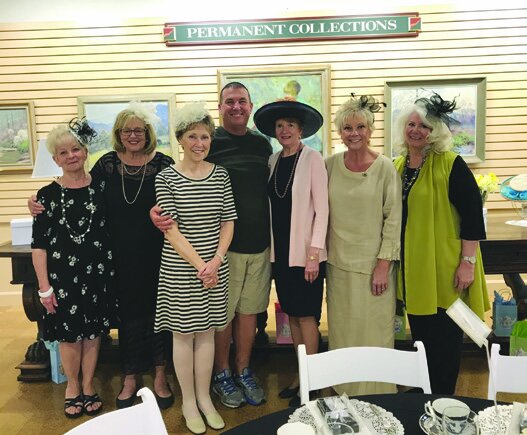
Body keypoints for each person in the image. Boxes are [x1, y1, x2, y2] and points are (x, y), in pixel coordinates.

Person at [29, 102, 175, 410]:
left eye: (139, 130)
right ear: (118, 134)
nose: (133, 135)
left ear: (147, 133)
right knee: (129, 318)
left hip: (158, 254)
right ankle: (130, 377)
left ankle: (161, 376)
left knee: (159, 315)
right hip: (118, 258)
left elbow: (179, 198)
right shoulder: (107, 165)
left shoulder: (164, 163)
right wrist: (36, 201)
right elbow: (77, 187)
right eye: (126, 130)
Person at [152, 82, 272, 408]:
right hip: (221, 251)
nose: (236, 107)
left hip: (257, 244)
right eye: (229, 101)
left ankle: (243, 370)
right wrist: (155, 212)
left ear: (250, 106)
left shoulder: (262, 144)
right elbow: (175, 179)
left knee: (249, 312)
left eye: (242, 101)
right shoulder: (211, 140)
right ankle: (221, 374)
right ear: (219, 108)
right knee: (221, 317)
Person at [393, 92, 490, 394]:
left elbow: (472, 217)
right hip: (414, 267)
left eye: (424, 126)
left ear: (435, 131)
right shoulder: (398, 166)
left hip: (446, 266)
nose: (416, 130)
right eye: (411, 124)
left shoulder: (451, 164)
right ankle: (426, 391)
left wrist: (467, 263)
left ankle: (442, 395)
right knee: (421, 335)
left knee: (446, 337)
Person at [154, 102, 236, 434]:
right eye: (192, 136)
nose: (199, 143)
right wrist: (202, 265)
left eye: (204, 137)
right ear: (180, 139)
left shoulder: (221, 175)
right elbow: (170, 230)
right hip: (181, 269)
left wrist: (215, 261)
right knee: (183, 334)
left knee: (208, 333)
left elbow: (228, 221)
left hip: (215, 268)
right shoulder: (165, 177)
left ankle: (204, 398)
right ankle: (188, 401)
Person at [32, 119, 113, 418]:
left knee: (92, 333)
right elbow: (39, 245)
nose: (71, 156)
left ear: (85, 151)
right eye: (63, 153)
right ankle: (72, 386)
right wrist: (44, 288)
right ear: (56, 159)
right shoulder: (46, 196)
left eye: (75, 149)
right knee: (68, 335)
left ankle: (89, 385)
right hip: (62, 278)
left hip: (98, 274)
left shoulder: (102, 187)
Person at [325, 94, 402, 396]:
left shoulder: (385, 168)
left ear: (370, 130)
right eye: (347, 128)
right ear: (340, 132)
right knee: (343, 333)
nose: (354, 133)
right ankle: (344, 392)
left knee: (375, 334)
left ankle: (378, 395)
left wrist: (383, 264)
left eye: (360, 127)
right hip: (338, 265)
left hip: (374, 268)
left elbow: (393, 220)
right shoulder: (329, 166)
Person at [253, 100, 328, 407]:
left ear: (301, 130)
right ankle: (301, 376)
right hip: (281, 253)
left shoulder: (312, 158)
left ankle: (313, 382)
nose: (284, 130)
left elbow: (323, 209)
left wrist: (313, 255)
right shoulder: (272, 160)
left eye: (291, 125)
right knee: (293, 317)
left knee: (307, 317)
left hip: (306, 255)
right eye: (280, 126)